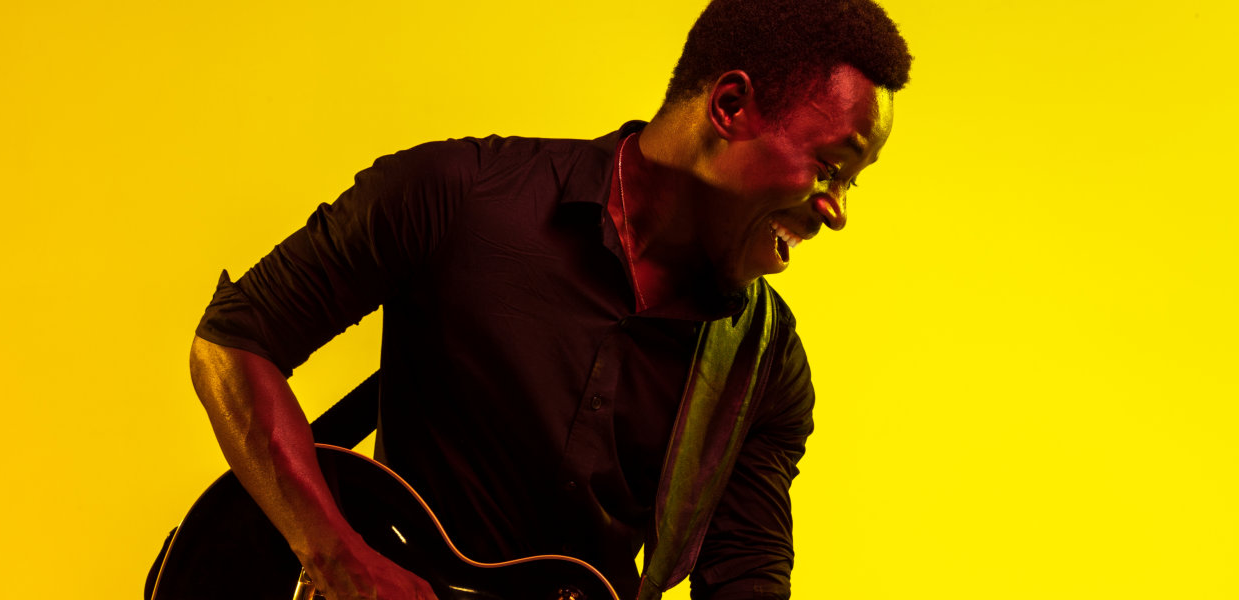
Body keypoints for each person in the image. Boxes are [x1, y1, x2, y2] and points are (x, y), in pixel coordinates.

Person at [187, 1, 910, 598]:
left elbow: (744, 578)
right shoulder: (458, 195)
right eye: (831, 167)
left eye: (853, 182)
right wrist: (335, 556)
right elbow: (234, 340)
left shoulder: (764, 365)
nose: (838, 210)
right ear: (729, 105)